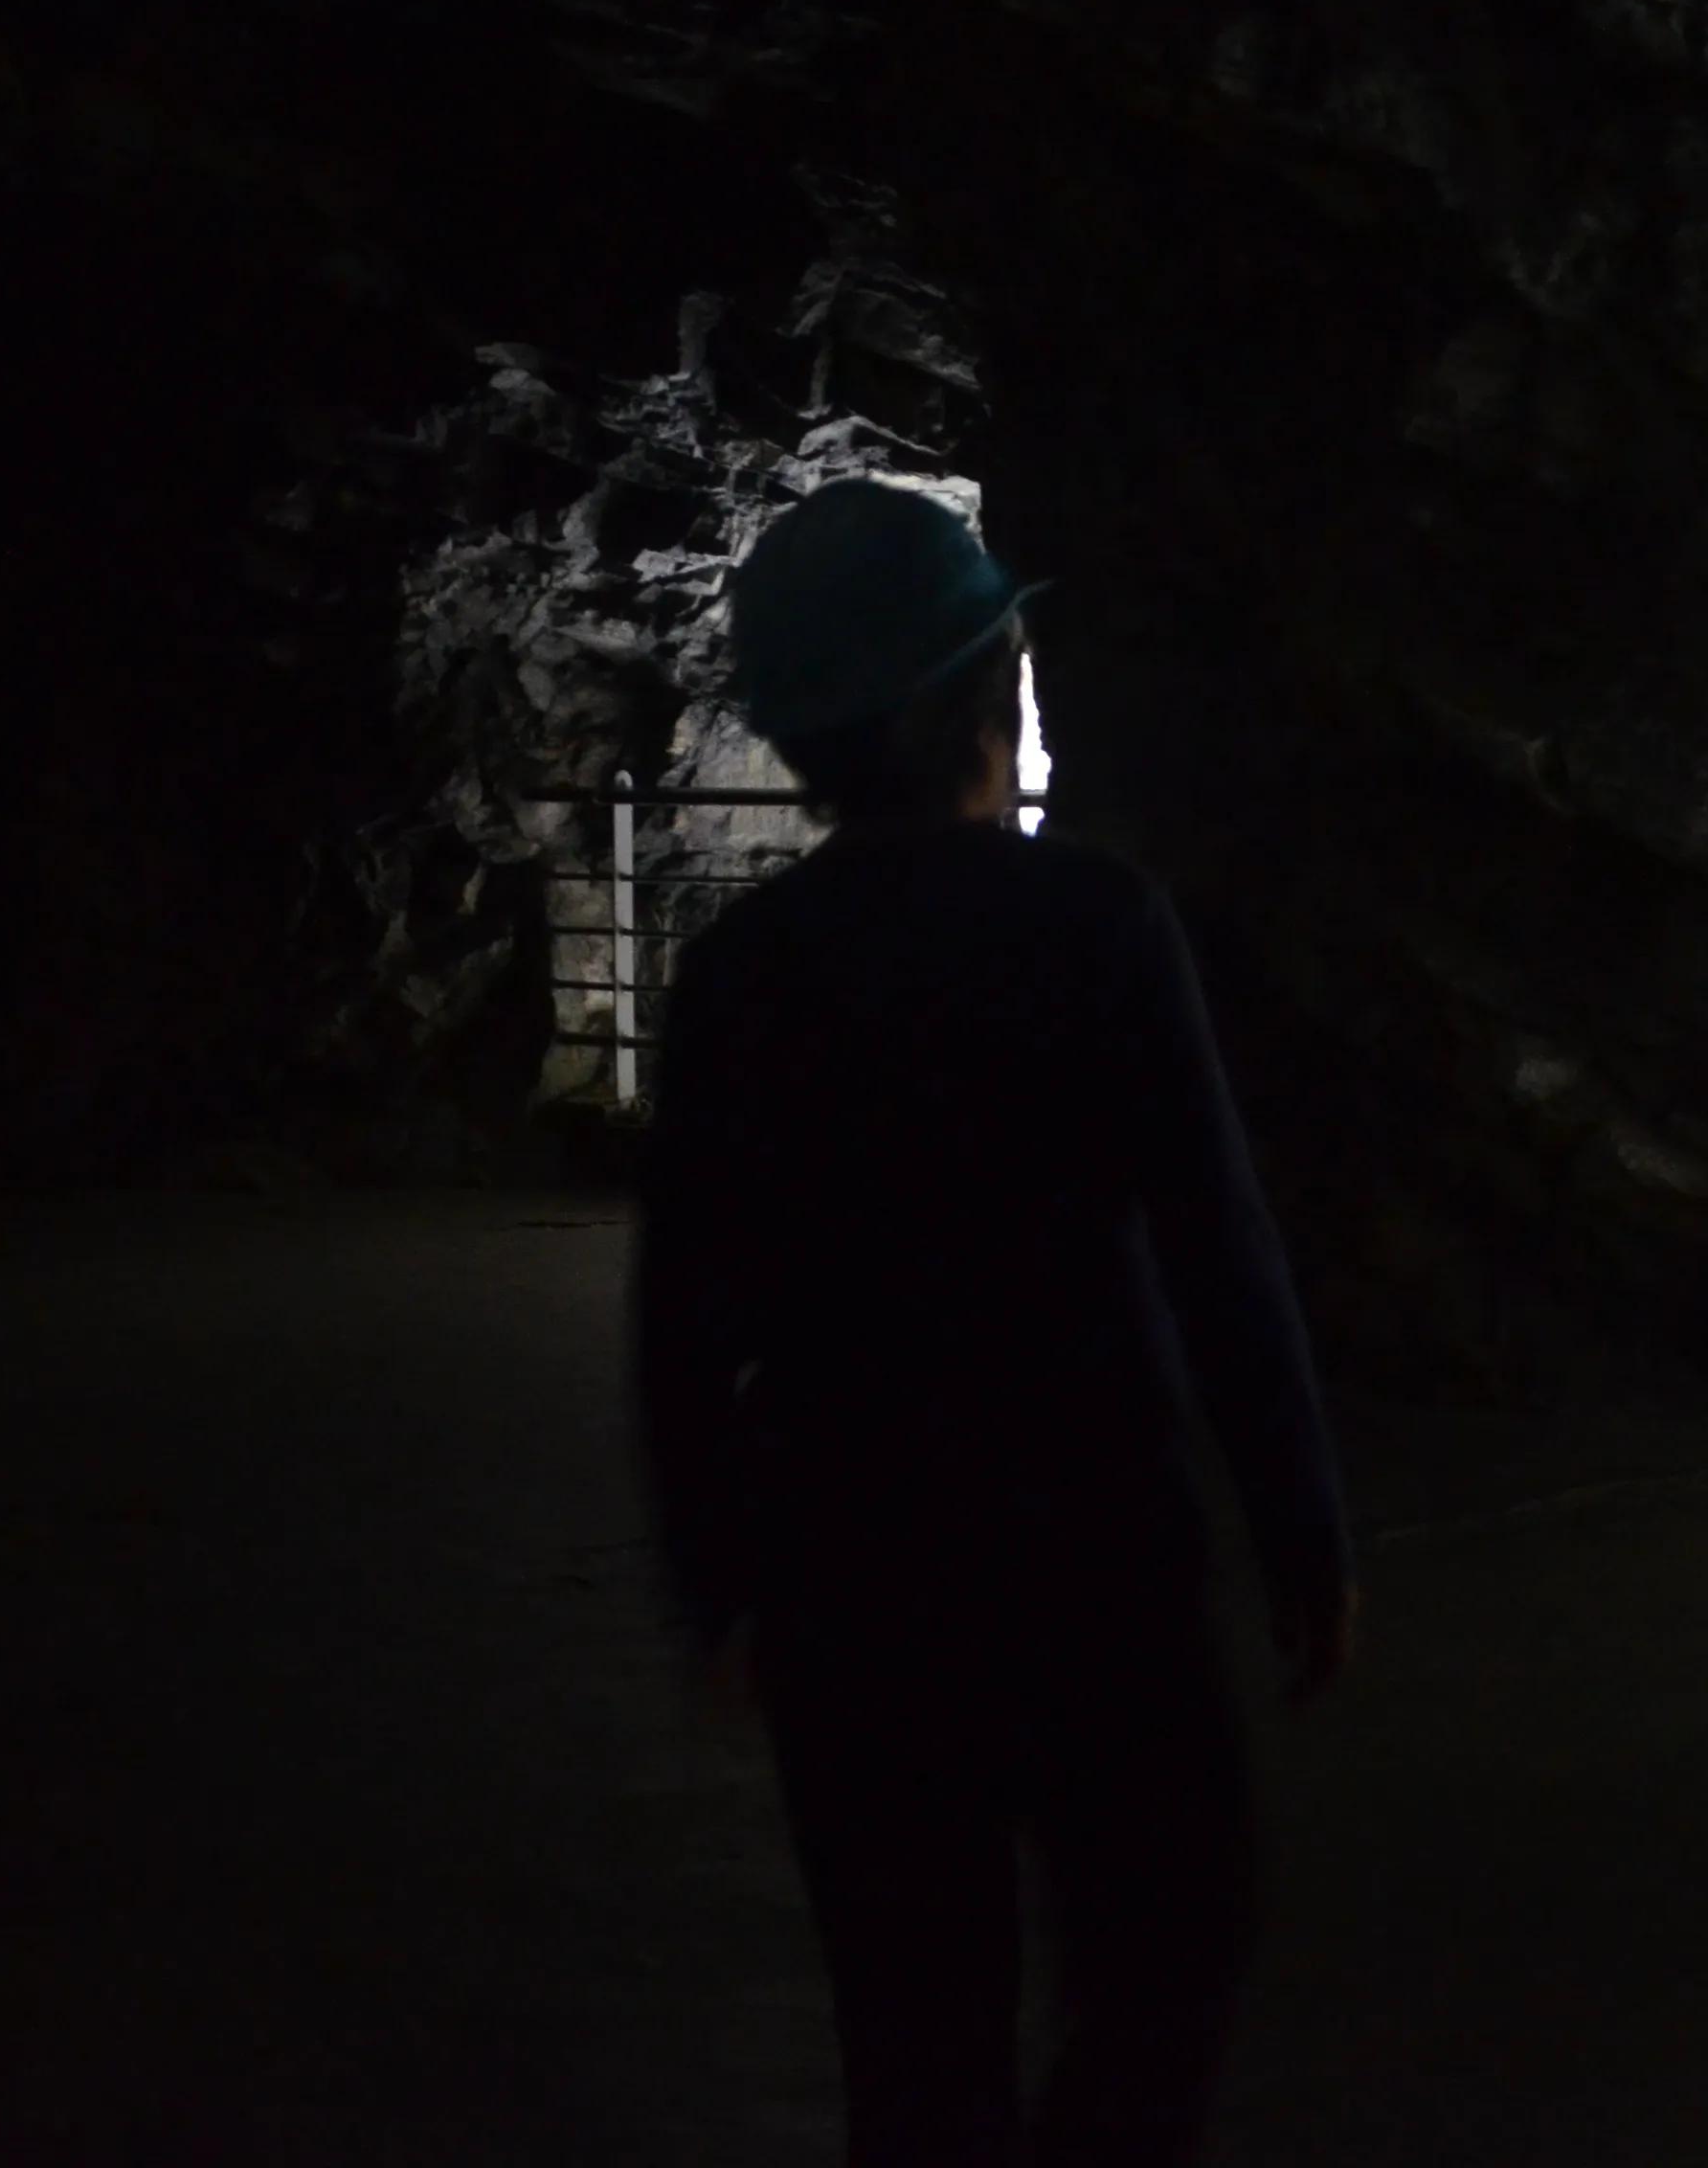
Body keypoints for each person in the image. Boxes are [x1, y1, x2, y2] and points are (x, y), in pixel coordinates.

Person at [635, 479, 1355, 2166]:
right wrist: (1302, 1527)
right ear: (984, 695)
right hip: (1094, 1546)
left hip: (850, 1573)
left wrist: (718, 1575)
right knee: (1171, 1940)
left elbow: (683, 1314)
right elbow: (1218, 1246)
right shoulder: (1095, 925)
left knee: (912, 2023)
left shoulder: (743, 972)